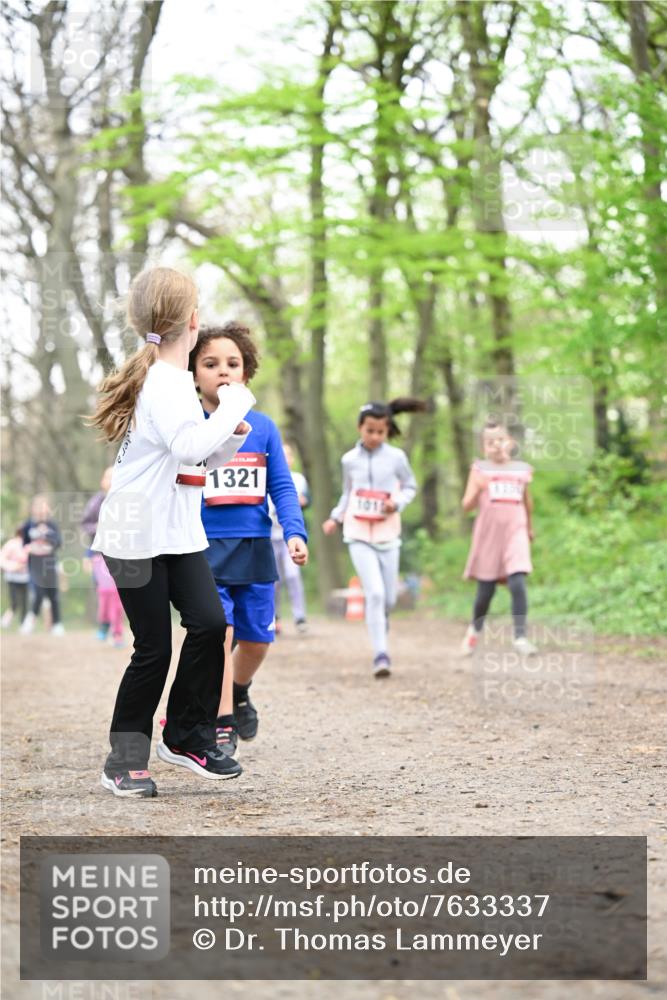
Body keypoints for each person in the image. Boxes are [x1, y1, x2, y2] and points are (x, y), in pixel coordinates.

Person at [88, 267, 256, 798]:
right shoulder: (163, 381)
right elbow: (186, 446)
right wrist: (234, 403)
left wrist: (226, 437)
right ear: (192, 319)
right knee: (154, 649)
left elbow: (193, 458)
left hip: (177, 533)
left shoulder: (176, 382)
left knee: (209, 623)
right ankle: (124, 761)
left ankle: (185, 735)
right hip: (134, 535)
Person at [188, 323, 308, 757]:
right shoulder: (188, 426)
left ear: (246, 372)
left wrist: (294, 532)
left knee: (257, 638)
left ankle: (238, 692)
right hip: (202, 546)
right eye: (211, 363)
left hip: (256, 545)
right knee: (221, 629)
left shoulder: (263, 428)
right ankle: (221, 723)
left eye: (232, 364)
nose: (223, 371)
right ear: (194, 372)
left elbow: (282, 487)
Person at [322, 399, 424, 678]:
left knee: (388, 598)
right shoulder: (349, 460)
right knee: (375, 594)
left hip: (388, 534)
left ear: (387, 430)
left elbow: (411, 486)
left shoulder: (396, 458)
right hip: (357, 533)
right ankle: (381, 654)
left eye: (380, 432)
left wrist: (397, 502)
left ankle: (381, 624)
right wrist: (335, 517)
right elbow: (347, 493)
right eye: (370, 431)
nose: (375, 437)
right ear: (360, 428)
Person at [460, 419, 536, 656]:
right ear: (484, 448)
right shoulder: (479, 470)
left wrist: (530, 528)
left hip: (516, 531)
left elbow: (527, 502)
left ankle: (520, 637)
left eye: (500, 440)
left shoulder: (521, 470)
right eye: (490, 442)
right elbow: (466, 506)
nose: (496, 445)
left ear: (510, 442)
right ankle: (474, 630)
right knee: (486, 590)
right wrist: (480, 488)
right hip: (489, 536)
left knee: (517, 582)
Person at [270, 442, 310, 635]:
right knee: (274, 580)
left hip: (289, 537)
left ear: (292, 459)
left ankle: (300, 617)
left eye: (288, 455)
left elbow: (306, 501)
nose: (285, 459)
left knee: (293, 575)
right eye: (281, 455)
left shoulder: (299, 479)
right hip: (270, 536)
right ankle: (274, 617)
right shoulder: (266, 475)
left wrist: (302, 502)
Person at [20, 495, 64, 636]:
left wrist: (46, 535)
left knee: (53, 594)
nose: (40, 510)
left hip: (50, 562)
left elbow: (58, 542)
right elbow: (24, 543)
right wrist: (28, 548)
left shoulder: (52, 525)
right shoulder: (28, 525)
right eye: (37, 506)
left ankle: (57, 624)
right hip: (35, 564)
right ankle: (30, 620)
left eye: (43, 506)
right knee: (38, 592)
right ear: (32, 509)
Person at [81, 467, 114, 639]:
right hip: (98, 552)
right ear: (102, 481)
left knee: (119, 593)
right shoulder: (96, 502)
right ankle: (103, 625)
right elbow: (85, 523)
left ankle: (116, 627)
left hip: (122, 552)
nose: (112, 479)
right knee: (103, 591)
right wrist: (101, 527)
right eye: (108, 476)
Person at [91, 552, 125, 647]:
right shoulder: (94, 555)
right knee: (103, 611)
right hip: (102, 588)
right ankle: (104, 629)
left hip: (115, 588)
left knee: (116, 611)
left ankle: (117, 635)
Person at [0, 526, 30, 628]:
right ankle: (5, 621)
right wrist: (14, 567)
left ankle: (23, 624)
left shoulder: (28, 544)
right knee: (15, 602)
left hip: (25, 577)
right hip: (12, 577)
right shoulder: (11, 544)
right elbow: (2, 560)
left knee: (25, 601)